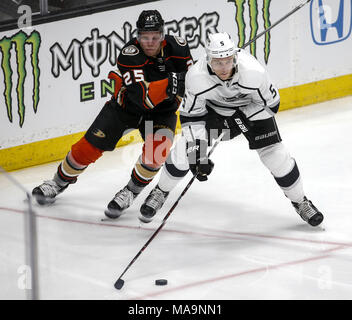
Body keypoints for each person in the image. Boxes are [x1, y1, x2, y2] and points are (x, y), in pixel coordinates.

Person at [137, 32, 324, 226]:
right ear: (208, 60)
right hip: (214, 113)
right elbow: (191, 116)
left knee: (276, 156)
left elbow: (271, 105)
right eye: (218, 62)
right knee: (185, 152)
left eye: (227, 61)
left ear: (235, 56)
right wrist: (198, 154)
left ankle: (301, 202)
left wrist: (243, 116)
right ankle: (160, 191)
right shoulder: (196, 77)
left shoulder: (254, 72)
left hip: (252, 112)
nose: (223, 68)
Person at [32, 10, 193, 221]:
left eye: (155, 37)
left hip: (163, 113)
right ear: (138, 36)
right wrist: (172, 81)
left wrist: (183, 81)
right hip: (125, 109)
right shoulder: (129, 54)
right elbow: (143, 99)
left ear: (163, 35)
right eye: (145, 37)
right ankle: (58, 182)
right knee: (85, 150)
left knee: (156, 154)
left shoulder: (178, 47)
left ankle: (130, 192)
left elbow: (193, 80)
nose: (150, 42)